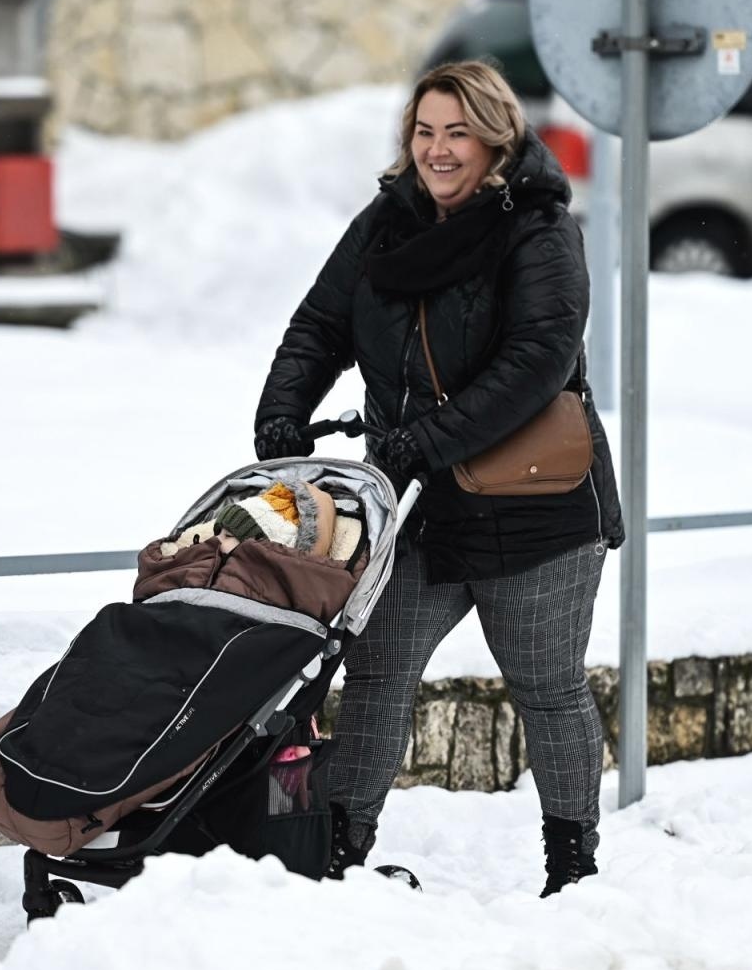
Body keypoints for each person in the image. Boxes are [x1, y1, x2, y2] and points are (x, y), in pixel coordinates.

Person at [252, 61, 625, 896]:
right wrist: (281, 414)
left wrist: (426, 439)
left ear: (496, 138)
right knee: (376, 677)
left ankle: (573, 869)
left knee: (546, 689)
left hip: (533, 510)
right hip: (417, 508)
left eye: (458, 132)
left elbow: (537, 361)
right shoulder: (388, 223)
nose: (438, 150)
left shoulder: (538, 229)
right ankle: (339, 849)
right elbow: (320, 324)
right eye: (424, 131)